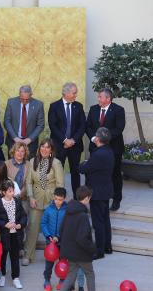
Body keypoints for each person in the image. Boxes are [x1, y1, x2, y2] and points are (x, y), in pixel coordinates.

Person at [23, 138, 65, 265]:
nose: (44, 149)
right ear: (39, 148)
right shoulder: (32, 161)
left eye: (47, 147)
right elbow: (29, 182)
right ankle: (28, 255)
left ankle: (57, 256)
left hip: (52, 200)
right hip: (36, 199)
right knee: (32, 228)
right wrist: (30, 197)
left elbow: (60, 184)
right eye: (42, 146)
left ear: (51, 150)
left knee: (54, 229)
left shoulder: (56, 163)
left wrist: (57, 200)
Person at [85, 87, 125, 211]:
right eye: (98, 96)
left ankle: (116, 199)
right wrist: (93, 138)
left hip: (113, 148)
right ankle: (90, 197)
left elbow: (119, 129)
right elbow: (88, 126)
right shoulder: (93, 109)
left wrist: (102, 139)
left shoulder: (118, 110)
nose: (98, 99)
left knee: (115, 174)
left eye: (100, 97)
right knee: (93, 173)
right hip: (95, 147)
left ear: (108, 98)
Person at [80, 127, 114, 259]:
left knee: (98, 222)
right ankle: (107, 246)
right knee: (105, 220)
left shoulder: (98, 154)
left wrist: (84, 163)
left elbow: (83, 169)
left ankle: (99, 251)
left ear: (98, 139)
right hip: (106, 190)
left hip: (97, 192)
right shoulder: (109, 151)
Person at [48, 82, 86, 198]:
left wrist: (73, 140)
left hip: (75, 145)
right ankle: (58, 197)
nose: (76, 95)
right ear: (66, 93)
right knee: (57, 173)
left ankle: (77, 198)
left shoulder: (78, 106)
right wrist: (65, 140)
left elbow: (82, 125)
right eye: (74, 93)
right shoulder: (54, 106)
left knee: (75, 172)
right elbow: (53, 126)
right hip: (59, 145)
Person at [59, 186, 96, 291]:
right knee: (90, 274)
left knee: (71, 275)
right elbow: (82, 239)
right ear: (86, 199)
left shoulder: (68, 211)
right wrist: (93, 248)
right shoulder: (83, 216)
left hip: (70, 253)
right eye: (89, 198)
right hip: (82, 254)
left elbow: (61, 230)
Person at [0, 180, 27, 289]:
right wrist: (4, 224)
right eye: (10, 191)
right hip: (3, 235)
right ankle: (2, 275)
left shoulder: (17, 201)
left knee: (15, 256)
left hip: (15, 234)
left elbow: (23, 215)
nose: (12, 193)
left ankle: (15, 277)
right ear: (3, 192)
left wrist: (20, 225)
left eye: (13, 190)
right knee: (3, 256)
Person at [4, 85, 46, 156]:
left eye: (27, 99)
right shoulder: (11, 102)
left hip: (30, 143)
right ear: (19, 95)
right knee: (12, 165)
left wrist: (29, 139)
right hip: (13, 142)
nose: (24, 101)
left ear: (31, 95)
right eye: (22, 98)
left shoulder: (38, 104)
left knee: (28, 165)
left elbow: (40, 125)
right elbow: (7, 121)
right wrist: (15, 138)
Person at [41, 187, 68, 290]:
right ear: (53, 197)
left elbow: (67, 226)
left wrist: (59, 237)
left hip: (63, 242)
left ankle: (62, 280)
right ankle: (47, 279)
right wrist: (48, 236)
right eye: (56, 199)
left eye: (60, 199)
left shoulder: (67, 210)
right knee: (49, 263)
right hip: (50, 242)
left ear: (64, 198)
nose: (58, 201)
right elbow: (43, 223)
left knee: (63, 262)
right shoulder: (49, 210)